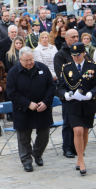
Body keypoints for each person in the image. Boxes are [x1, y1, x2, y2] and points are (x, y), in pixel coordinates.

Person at [6, 47, 55, 172]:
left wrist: (45, 102)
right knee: (24, 137)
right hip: (22, 110)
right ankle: (26, 161)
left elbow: (51, 86)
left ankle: (37, 154)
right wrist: (27, 104)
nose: (29, 62)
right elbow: (11, 93)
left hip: (42, 108)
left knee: (44, 134)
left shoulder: (42, 68)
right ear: (20, 59)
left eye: (31, 59)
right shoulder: (13, 72)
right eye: (26, 60)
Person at [59, 42, 96, 175]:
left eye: (78, 55)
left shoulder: (92, 66)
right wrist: (65, 94)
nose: (76, 57)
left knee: (85, 131)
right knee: (78, 131)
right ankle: (81, 160)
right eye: (73, 55)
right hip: (73, 104)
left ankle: (79, 159)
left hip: (88, 103)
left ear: (84, 53)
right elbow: (62, 86)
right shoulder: (66, 67)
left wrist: (92, 93)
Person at [54, 29, 79, 158]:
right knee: (68, 122)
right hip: (68, 93)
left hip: (83, 94)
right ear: (66, 39)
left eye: (77, 36)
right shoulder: (60, 55)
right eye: (73, 37)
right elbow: (61, 75)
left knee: (79, 122)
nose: (76, 39)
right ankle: (67, 147)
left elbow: (91, 71)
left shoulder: (82, 53)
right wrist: (79, 78)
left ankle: (77, 146)